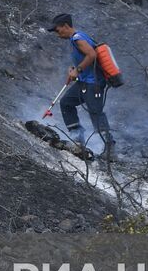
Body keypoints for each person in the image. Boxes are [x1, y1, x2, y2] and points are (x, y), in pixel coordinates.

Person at [47, 13, 116, 161]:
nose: (58, 35)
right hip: (84, 82)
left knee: (95, 113)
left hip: (93, 84)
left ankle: (110, 149)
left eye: (58, 30)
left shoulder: (78, 38)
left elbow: (91, 55)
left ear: (66, 26)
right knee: (66, 102)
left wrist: (77, 70)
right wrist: (75, 71)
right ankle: (77, 139)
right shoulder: (76, 39)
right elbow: (86, 60)